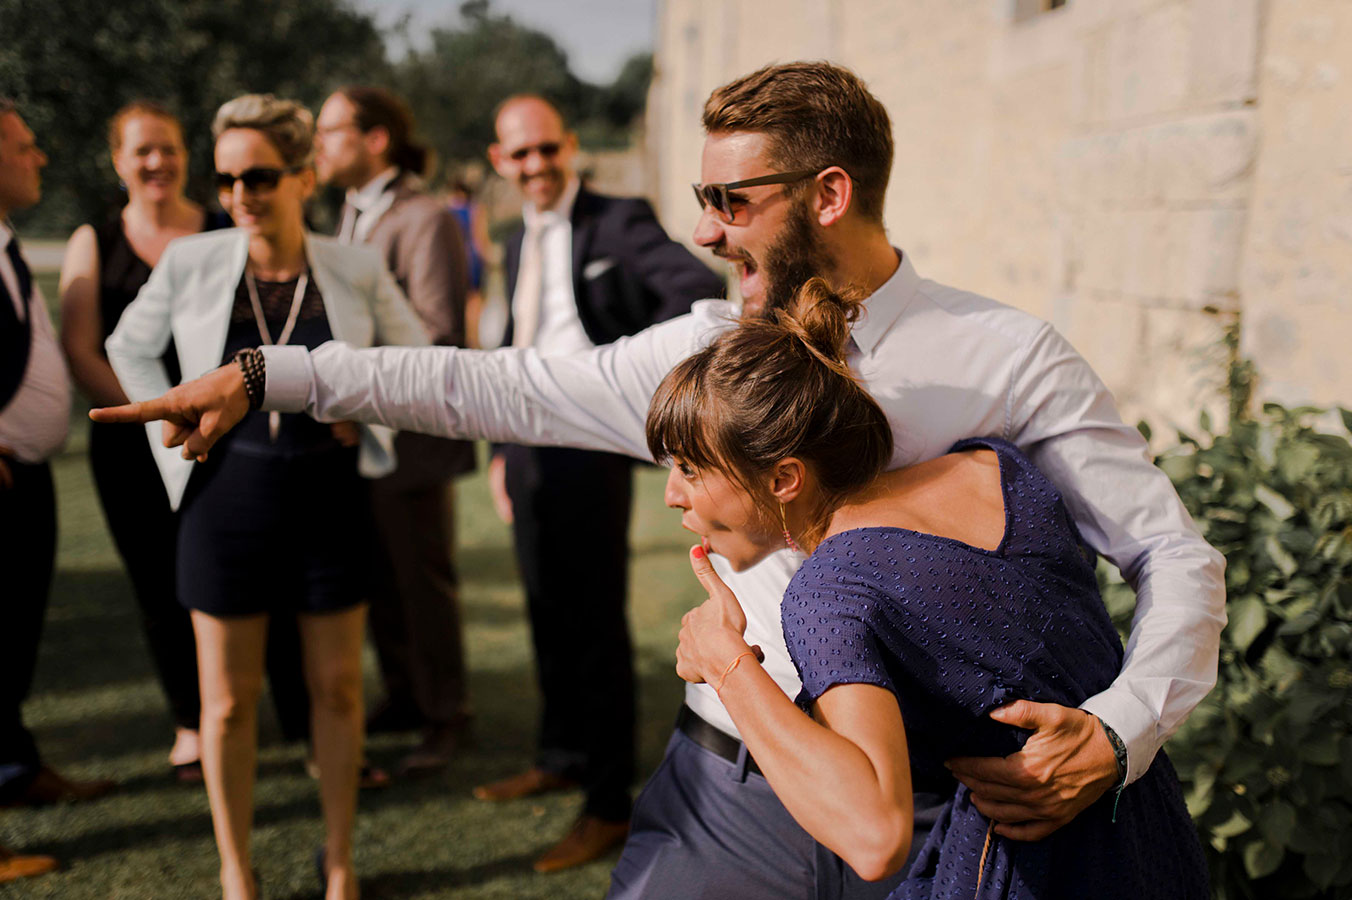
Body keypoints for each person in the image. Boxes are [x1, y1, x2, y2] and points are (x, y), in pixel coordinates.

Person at [90, 62, 1226, 900]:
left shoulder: (1004, 354)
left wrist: (1120, 727)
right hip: (723, 792)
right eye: (702, 197)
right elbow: (496, 386)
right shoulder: (691, 352)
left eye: (732, 201)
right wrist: (272, 371)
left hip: (936, 817)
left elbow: (1168, 552)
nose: (702, 228)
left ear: (828, 195)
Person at [649, 277, 1209, 898]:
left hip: (1022, 872)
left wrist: (727, 664)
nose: (674, 494)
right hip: (1151, 836)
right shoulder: (994, 467)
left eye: (692, 469)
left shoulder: (830, 593)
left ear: (784, 477)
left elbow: (875, 836)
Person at [104, 93, 428, 900]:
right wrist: (174, 433)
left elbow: (421, 355)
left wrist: (367, 404)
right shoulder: (193, 260)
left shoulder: (351, 264)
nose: (240, 195)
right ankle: (236, 873)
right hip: (224, 498)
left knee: (340, 689)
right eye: (226, 180)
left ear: (302, 176)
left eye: (258, 176)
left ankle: (343, 865)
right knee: (225, 706)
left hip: (330, 498)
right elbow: (127, 347)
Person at [469, 94, 724, 872]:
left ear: (570, 147)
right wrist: (503, 454)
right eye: (520, 155)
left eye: (548, 149)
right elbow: (515, 344)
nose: (537, 165)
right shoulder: (513, 242)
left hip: (589, 442)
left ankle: (608, 801)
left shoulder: (622, 219)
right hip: (527, 442)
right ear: (499, 162)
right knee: (545, 606)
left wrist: (636, 386)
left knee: (595, 622)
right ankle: (561, 753)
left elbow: (694, 293)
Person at [59, 100, 317, 782]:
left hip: (234, 439)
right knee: (161, 585)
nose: (157, 162)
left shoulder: (221, 223)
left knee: (274, 577)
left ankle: (302, 719)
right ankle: (190, 725)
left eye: (169, 148)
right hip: (134, 441)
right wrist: (160, 414)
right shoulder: (95, 237)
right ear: (118, 161)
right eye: (141, 150)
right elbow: (84, 348)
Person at [314, 85, 477, 776]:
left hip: (409, 439)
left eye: (328, 131)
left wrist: (349, 381)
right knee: (379, 580)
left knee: (420, 584)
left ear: (375, 139)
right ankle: (407, 697)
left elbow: (438, 332)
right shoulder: (347, 214)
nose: (318, 145)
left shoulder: (425, 217)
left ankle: (447, 717)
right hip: (356, 441)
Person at [1, 96, 113, 854]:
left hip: (25, 476)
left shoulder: (3, 244)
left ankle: (12, 769)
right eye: (24, 146)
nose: (38, 158)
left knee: (10, 645)